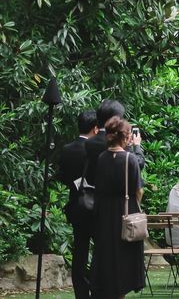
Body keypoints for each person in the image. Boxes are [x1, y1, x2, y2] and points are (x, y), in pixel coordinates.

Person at [91, 116, 145, 298]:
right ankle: (120, 292)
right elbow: (138, 190)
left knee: (107, 253)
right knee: (124, 256)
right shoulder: (130, 159)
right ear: (125, 136)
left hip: (105, 212)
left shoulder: (101, 158)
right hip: (126, 211)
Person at [57, 110, 98, 299]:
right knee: (100, 250)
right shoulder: (95, 149)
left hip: (76, 205)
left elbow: (63, 176)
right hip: (95, 206)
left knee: (80, 251)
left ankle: (81, 293)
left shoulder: (67, 149)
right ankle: (97, 288)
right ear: (95, 128)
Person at [85, 99, 144, 186]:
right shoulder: (118, 142)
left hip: (99, 189)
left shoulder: (89, 143)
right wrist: (136, 145)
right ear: (115, 120)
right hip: (120, 189)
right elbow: (138, 163)